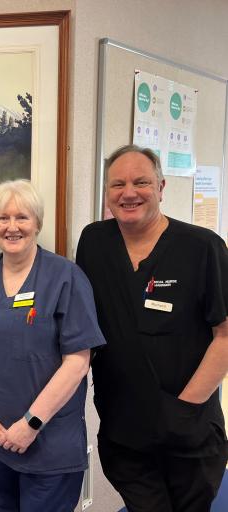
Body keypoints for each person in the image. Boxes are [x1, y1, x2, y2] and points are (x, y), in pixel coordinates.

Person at [76, 144, 228, 512]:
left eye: (141, 182)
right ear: (107, 194)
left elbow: (225, 335)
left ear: (161, 187)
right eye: (118, 184)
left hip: (189, 430)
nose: (129, 193)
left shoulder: (202, 247)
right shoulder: (94, 242)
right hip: (123, 428)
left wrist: (184, 409)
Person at [0, 180, 106, 512]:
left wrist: (31, 423)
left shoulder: (66, 276)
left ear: (37, 223)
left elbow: (79, 361)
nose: (12, 227)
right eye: (2, 218)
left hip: (48, 443)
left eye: (22, 217)